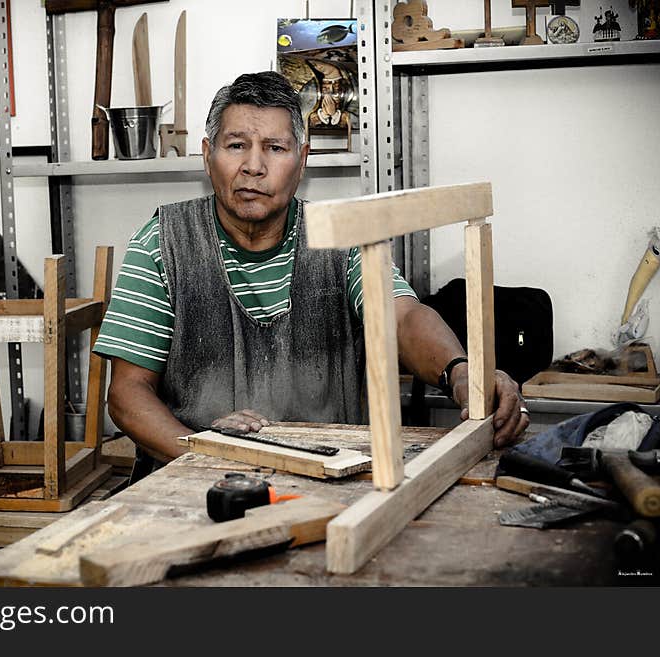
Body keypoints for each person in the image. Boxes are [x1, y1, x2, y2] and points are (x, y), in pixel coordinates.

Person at [92, 71, 529, 477]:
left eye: (275, 148)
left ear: (302, 160)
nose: (254, 166)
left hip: (329, 475)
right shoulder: (163, 242)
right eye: (236, 145)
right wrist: (205, 451)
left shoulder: (339, 237)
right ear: (208, 156)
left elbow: (400, 318)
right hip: (191, 479)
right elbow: (128, 395)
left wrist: (461, 372)